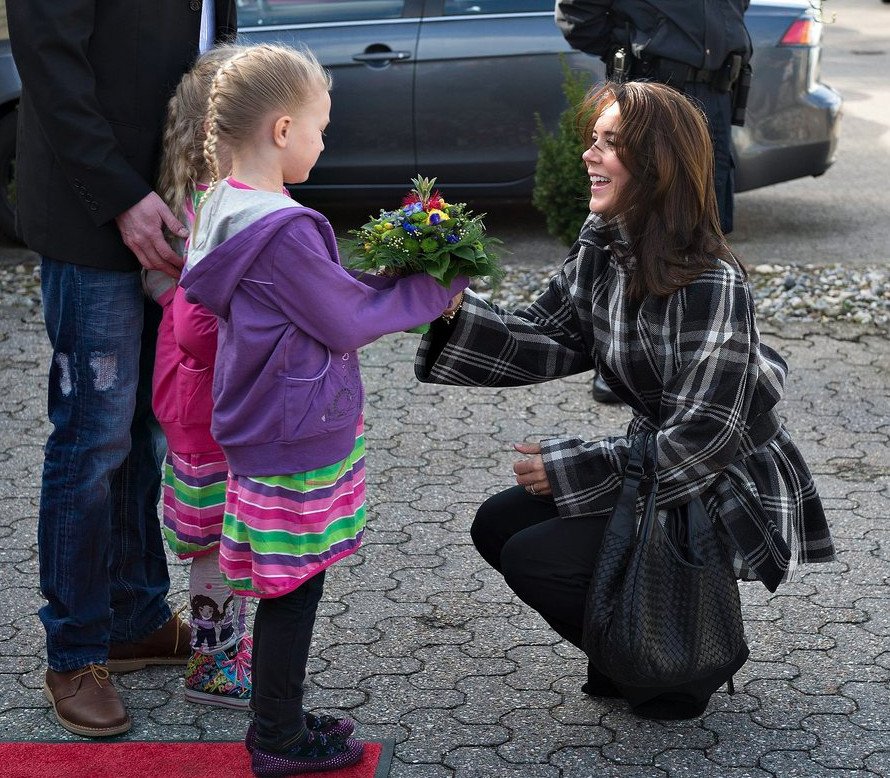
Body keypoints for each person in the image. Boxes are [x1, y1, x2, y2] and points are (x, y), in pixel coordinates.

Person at [415, 80, 835, 720]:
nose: (589, 154)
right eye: (594, 139)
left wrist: (572, 467)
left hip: (715, 478)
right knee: (497, 524)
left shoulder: (711, 280)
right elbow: (550, 335)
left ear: (657, 164)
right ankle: (634, 652)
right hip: (658, 460)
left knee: (535, 556)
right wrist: (449, 308)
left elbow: (702, 442)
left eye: (610, 143)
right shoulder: (605, 239)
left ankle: (683, 664)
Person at [179, 44, 468, 775]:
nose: (323, 141)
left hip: (259, 425)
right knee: (294, 588)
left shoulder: (222, 205)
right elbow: (342, 319)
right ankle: (277, 736)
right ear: (282, 130)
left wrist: (386, 276)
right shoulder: (285, 227)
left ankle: (278, 715)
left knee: (287, 583)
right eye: (320, 127)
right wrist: (433, 289)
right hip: (294, 432)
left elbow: (309, 295)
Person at [6, 0, 237, 738]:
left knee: (150, 425)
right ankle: (75, 653)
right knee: (94, 435)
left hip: (181, 207)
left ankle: (134, 620)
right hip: (94, 214)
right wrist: (122, 197)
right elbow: (51, 65)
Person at [555, 0, 753, 404]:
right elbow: (577, 13)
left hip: (713, 97)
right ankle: (621, 361)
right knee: (636, 228)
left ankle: (701, 354)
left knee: (700, 230)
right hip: (652, 94)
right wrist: (637, 48)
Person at [148, 44, 252, 710]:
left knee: (223, 525)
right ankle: (214, 664)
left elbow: (161, 284)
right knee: (217, 530)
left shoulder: (197, 196)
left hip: (201, 388)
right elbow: (180, 298)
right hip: (206, 391)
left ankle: (224, 652)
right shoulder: (214, 206)